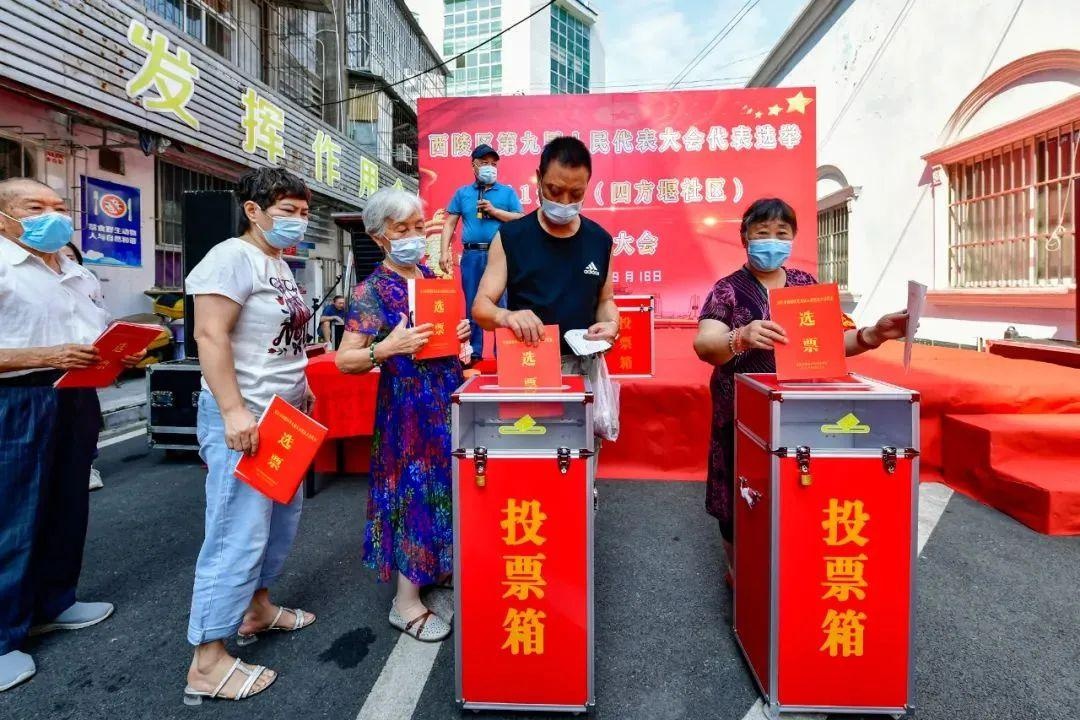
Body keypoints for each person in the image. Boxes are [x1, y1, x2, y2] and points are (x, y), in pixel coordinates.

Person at [692, 198, 910, 580]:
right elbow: (705, 345)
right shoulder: (727, 290)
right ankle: (739, 571)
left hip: (798, 408)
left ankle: (793, 567)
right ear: (744, 237)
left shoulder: (806, 286)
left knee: (797, 484)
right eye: (762, 233)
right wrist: (739, 337)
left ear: (793, 239)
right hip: (741, 411)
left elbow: (835, 340)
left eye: (782, 234)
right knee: (738, 491)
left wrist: (874, 334)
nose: (771, 242)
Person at [0, 177, 142, 693]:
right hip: (17, 399)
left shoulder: (72, 267)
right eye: (34, 207)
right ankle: (2, 635)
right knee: (12, 514)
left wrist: (123, 353)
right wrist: (46, 356)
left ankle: (54, 601)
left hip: (76, 394)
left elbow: (94, 332)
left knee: (66, 504)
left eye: (58, 207)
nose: (52, 216)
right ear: (3, 217)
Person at [182, 167, 317, 705]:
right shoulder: (230, 257)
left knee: (278, 523)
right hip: (248, 420)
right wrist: (235, 411)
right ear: (254, 211)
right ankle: (207, 661)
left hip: (283, 419)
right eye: (287, 211)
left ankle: (257, 609)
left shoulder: (278, 263)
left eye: (304, 213)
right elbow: (209, 333)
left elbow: (280, 342)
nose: (297, 222)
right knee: (235, 533)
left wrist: (303, 390)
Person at [336, 188, 469, 642]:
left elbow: (441, 336)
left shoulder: (430, 277)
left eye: (418, 227)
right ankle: (405, 601)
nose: (413, 236)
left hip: (446, 396)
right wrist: (386, 348)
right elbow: (345, 360)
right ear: (379, 237)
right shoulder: (371, 292)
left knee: (447, 485)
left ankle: (438, 565)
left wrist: (460, 331)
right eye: (401, 229)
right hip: (407, 408)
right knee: (414, 492)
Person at [472, 136, 619, 373]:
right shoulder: (511, 237)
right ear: (539, 178)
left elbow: (605, 300)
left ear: (588, 185)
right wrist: (507, 317)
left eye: (576, 193)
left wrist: (611, 324)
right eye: (555, 190)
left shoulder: (600, 240)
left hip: (585, 368)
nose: (564, 202)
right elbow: (481, 306)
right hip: (528, 364)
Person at [440, 143, 524, 362]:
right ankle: (473, 352)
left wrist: (495, 211)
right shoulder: (463, 193)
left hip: (500, 256)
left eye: (493, 164)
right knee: (472, 303)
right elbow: (450, 224)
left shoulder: (506, 192)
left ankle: (503, 352)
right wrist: (444, 252)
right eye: (484, 163)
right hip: (472, 255)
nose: (489, 167)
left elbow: (520, 219)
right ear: (473, 166)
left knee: (501, 303)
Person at [59, 242, 107, 491]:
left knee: (84, 427)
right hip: (35, 381)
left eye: (71, 257)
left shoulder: (86, 281)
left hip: (81, 376)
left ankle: (87, 465)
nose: (66, 261)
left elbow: (101, 324)